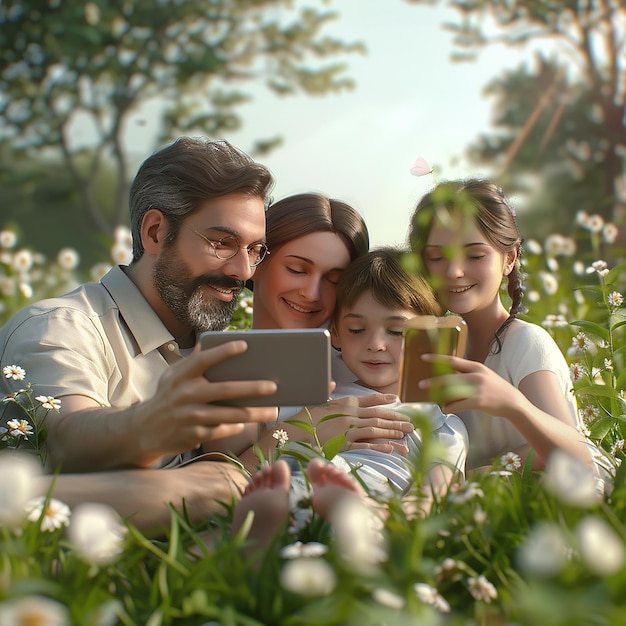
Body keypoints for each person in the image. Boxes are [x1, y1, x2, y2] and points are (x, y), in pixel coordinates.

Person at [0, 137, 284, 532]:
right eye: (222, 243)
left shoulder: (220, 351)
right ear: (154, 233)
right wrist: (148, 425)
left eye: (255, 250)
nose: (244, 271)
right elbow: (65, 437)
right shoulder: (63, 325)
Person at [407, 178, 606, 475]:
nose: (454, 271)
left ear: (509, 259)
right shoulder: (426, 346)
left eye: (475, 255)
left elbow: (580, 455)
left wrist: (511, 403)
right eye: (437, 257)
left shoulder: (525, 343)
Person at [236, 194, 418, 470]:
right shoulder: (230, 369)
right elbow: (222, 483)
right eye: (296, 269)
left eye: (334, 280)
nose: (311, 293)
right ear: (255, 259)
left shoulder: (366, 368)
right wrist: (299, 431)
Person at [328, 247, 467, 500]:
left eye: (396, 331)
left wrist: (408, 514)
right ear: (335, 331)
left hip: (378, 504)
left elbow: (434, 487)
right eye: (357, 330)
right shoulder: (323, 399)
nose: (376, 344)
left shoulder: (437, 421)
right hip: (310, 484)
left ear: (429, 337)